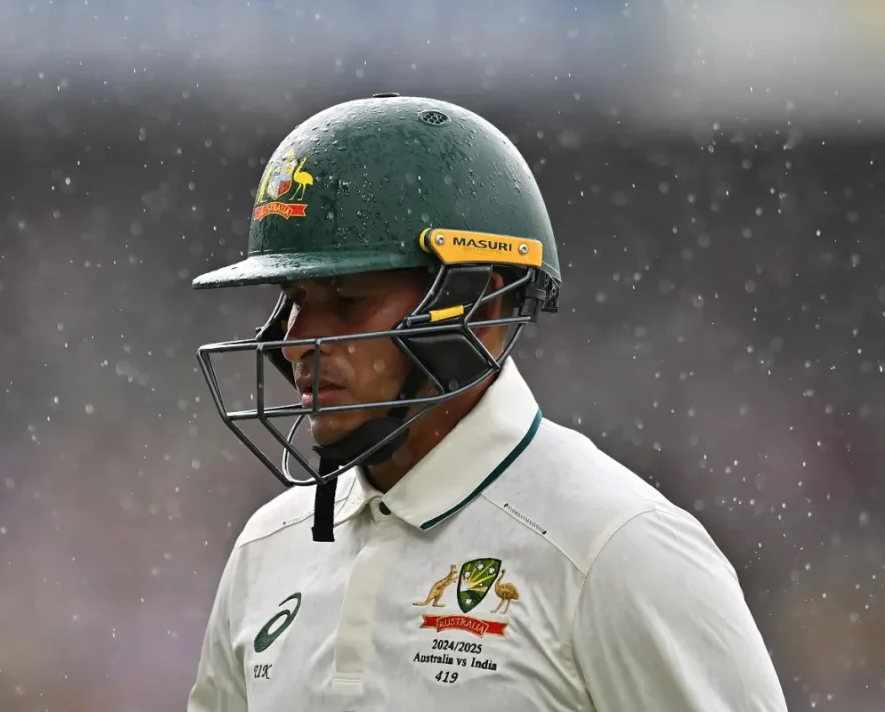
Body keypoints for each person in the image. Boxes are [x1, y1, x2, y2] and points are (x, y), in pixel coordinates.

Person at [186, 94, 788, 711]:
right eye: (292, 298)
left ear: (483, 305)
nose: (295, 343)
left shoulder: (617, 548)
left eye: (345, 300)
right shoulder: (268, 547)